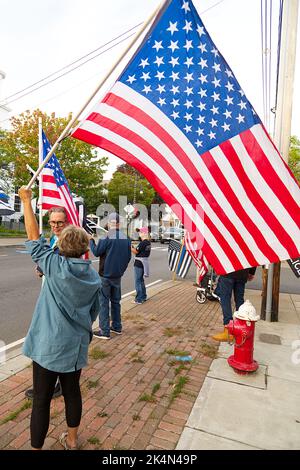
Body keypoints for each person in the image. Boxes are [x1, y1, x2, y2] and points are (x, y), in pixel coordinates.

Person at [19, 187, 101, 450]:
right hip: (75, 346)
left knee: (41, 399)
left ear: (62, 246)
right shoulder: (93, 278)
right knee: (72, 393)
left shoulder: (53, 266)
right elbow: (93, 314)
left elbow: (33, 236)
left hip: (47, 346)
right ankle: (73, 440)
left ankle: (36, 447)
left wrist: (26, 201)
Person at [25, 207, 69, 400]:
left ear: (67, 222)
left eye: (59, 222)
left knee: (47, 343)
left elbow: (62, 270)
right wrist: (41, 268)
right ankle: (48, 385)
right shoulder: (54, 239)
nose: (55, 226)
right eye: (52, 222)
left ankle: (49, 387)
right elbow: (48, 260)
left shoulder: (68, 242)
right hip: (48, 294)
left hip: (59, 300)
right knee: (48, 342)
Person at [89, 212, 131, 339]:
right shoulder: (126, 238)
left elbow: (96, 252)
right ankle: (117, 327)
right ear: (119, 223)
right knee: (116, 302)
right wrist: (121, 270)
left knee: (103, 303)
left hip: (105, 275)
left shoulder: (106, 237)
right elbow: (128, 257)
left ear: (109, 223)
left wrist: (91, 240)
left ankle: (104, 330)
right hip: (117, 275)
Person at [212, 267, 256, 341]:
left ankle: (228, 328)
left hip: (228, 271)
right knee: (239, 299)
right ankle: (242, 325)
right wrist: (251, 272)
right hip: (242, 272)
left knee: (225, 299)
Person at [131, 227, 151, 304]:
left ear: (144, 233)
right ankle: (143, 296)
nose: (139, 233)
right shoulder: (148, 242)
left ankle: (139, 299)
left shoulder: (143, 243)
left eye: (140, 232)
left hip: (139, 263)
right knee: (141, 280)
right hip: (143, 263)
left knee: (138, 281)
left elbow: (136, 251)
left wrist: (129, 247)